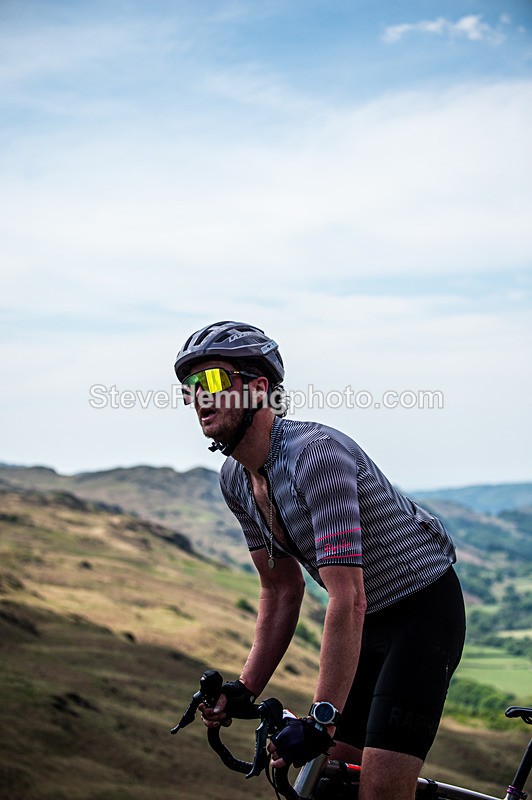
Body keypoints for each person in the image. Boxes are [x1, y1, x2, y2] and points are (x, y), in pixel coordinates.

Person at [174, 321, 466, 800]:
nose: (198, 396)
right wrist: (246, 688)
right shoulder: (236, 478)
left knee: (378, 790)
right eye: (190, 386)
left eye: (212, 379)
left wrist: (320, 720)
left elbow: (347, 597)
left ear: (258, 388)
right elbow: (280, 590)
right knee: (326, 783)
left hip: (421, 611)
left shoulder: (315, 456)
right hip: (365, 626)